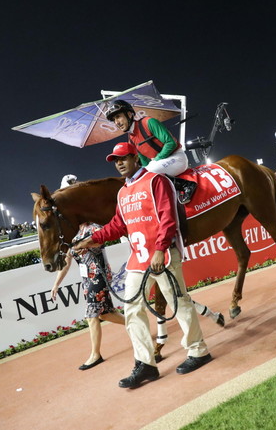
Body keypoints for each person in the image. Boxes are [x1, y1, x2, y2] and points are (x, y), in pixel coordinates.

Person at [73, 142, 212, 388]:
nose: (119, 163)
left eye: (123, 158)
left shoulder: (156, 181)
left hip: (162, 255)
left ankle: (198, 350)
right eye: (115, 160)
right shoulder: (123, 192)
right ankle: (145, 363)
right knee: (132, 310)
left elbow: (168, 218)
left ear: (135, 158)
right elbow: (118, 225)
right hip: (138, 260)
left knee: (179, 303)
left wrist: (160, 249)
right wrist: (90, 240)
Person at [51, 222, 125, 370]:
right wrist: (56, 284)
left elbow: (101, 241)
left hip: (99, 276)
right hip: (87, 280)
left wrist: (84, 244)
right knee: (106, 314)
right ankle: (136, 324)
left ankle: (95, 355)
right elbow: (66, 263)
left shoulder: (94, 228)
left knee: (91, 316)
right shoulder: (72, 235)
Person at [105, 99, 197, 204]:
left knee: (147, 174)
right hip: (159, 163)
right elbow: (144, 162)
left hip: (176, 158)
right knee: (139, 176)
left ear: (129, 114)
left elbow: (171, 143)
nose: (116, 122)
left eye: (118, 117)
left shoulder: (149, 122)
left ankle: (186, 185)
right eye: (114, 120)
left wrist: (157, 159)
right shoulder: (131, 139)